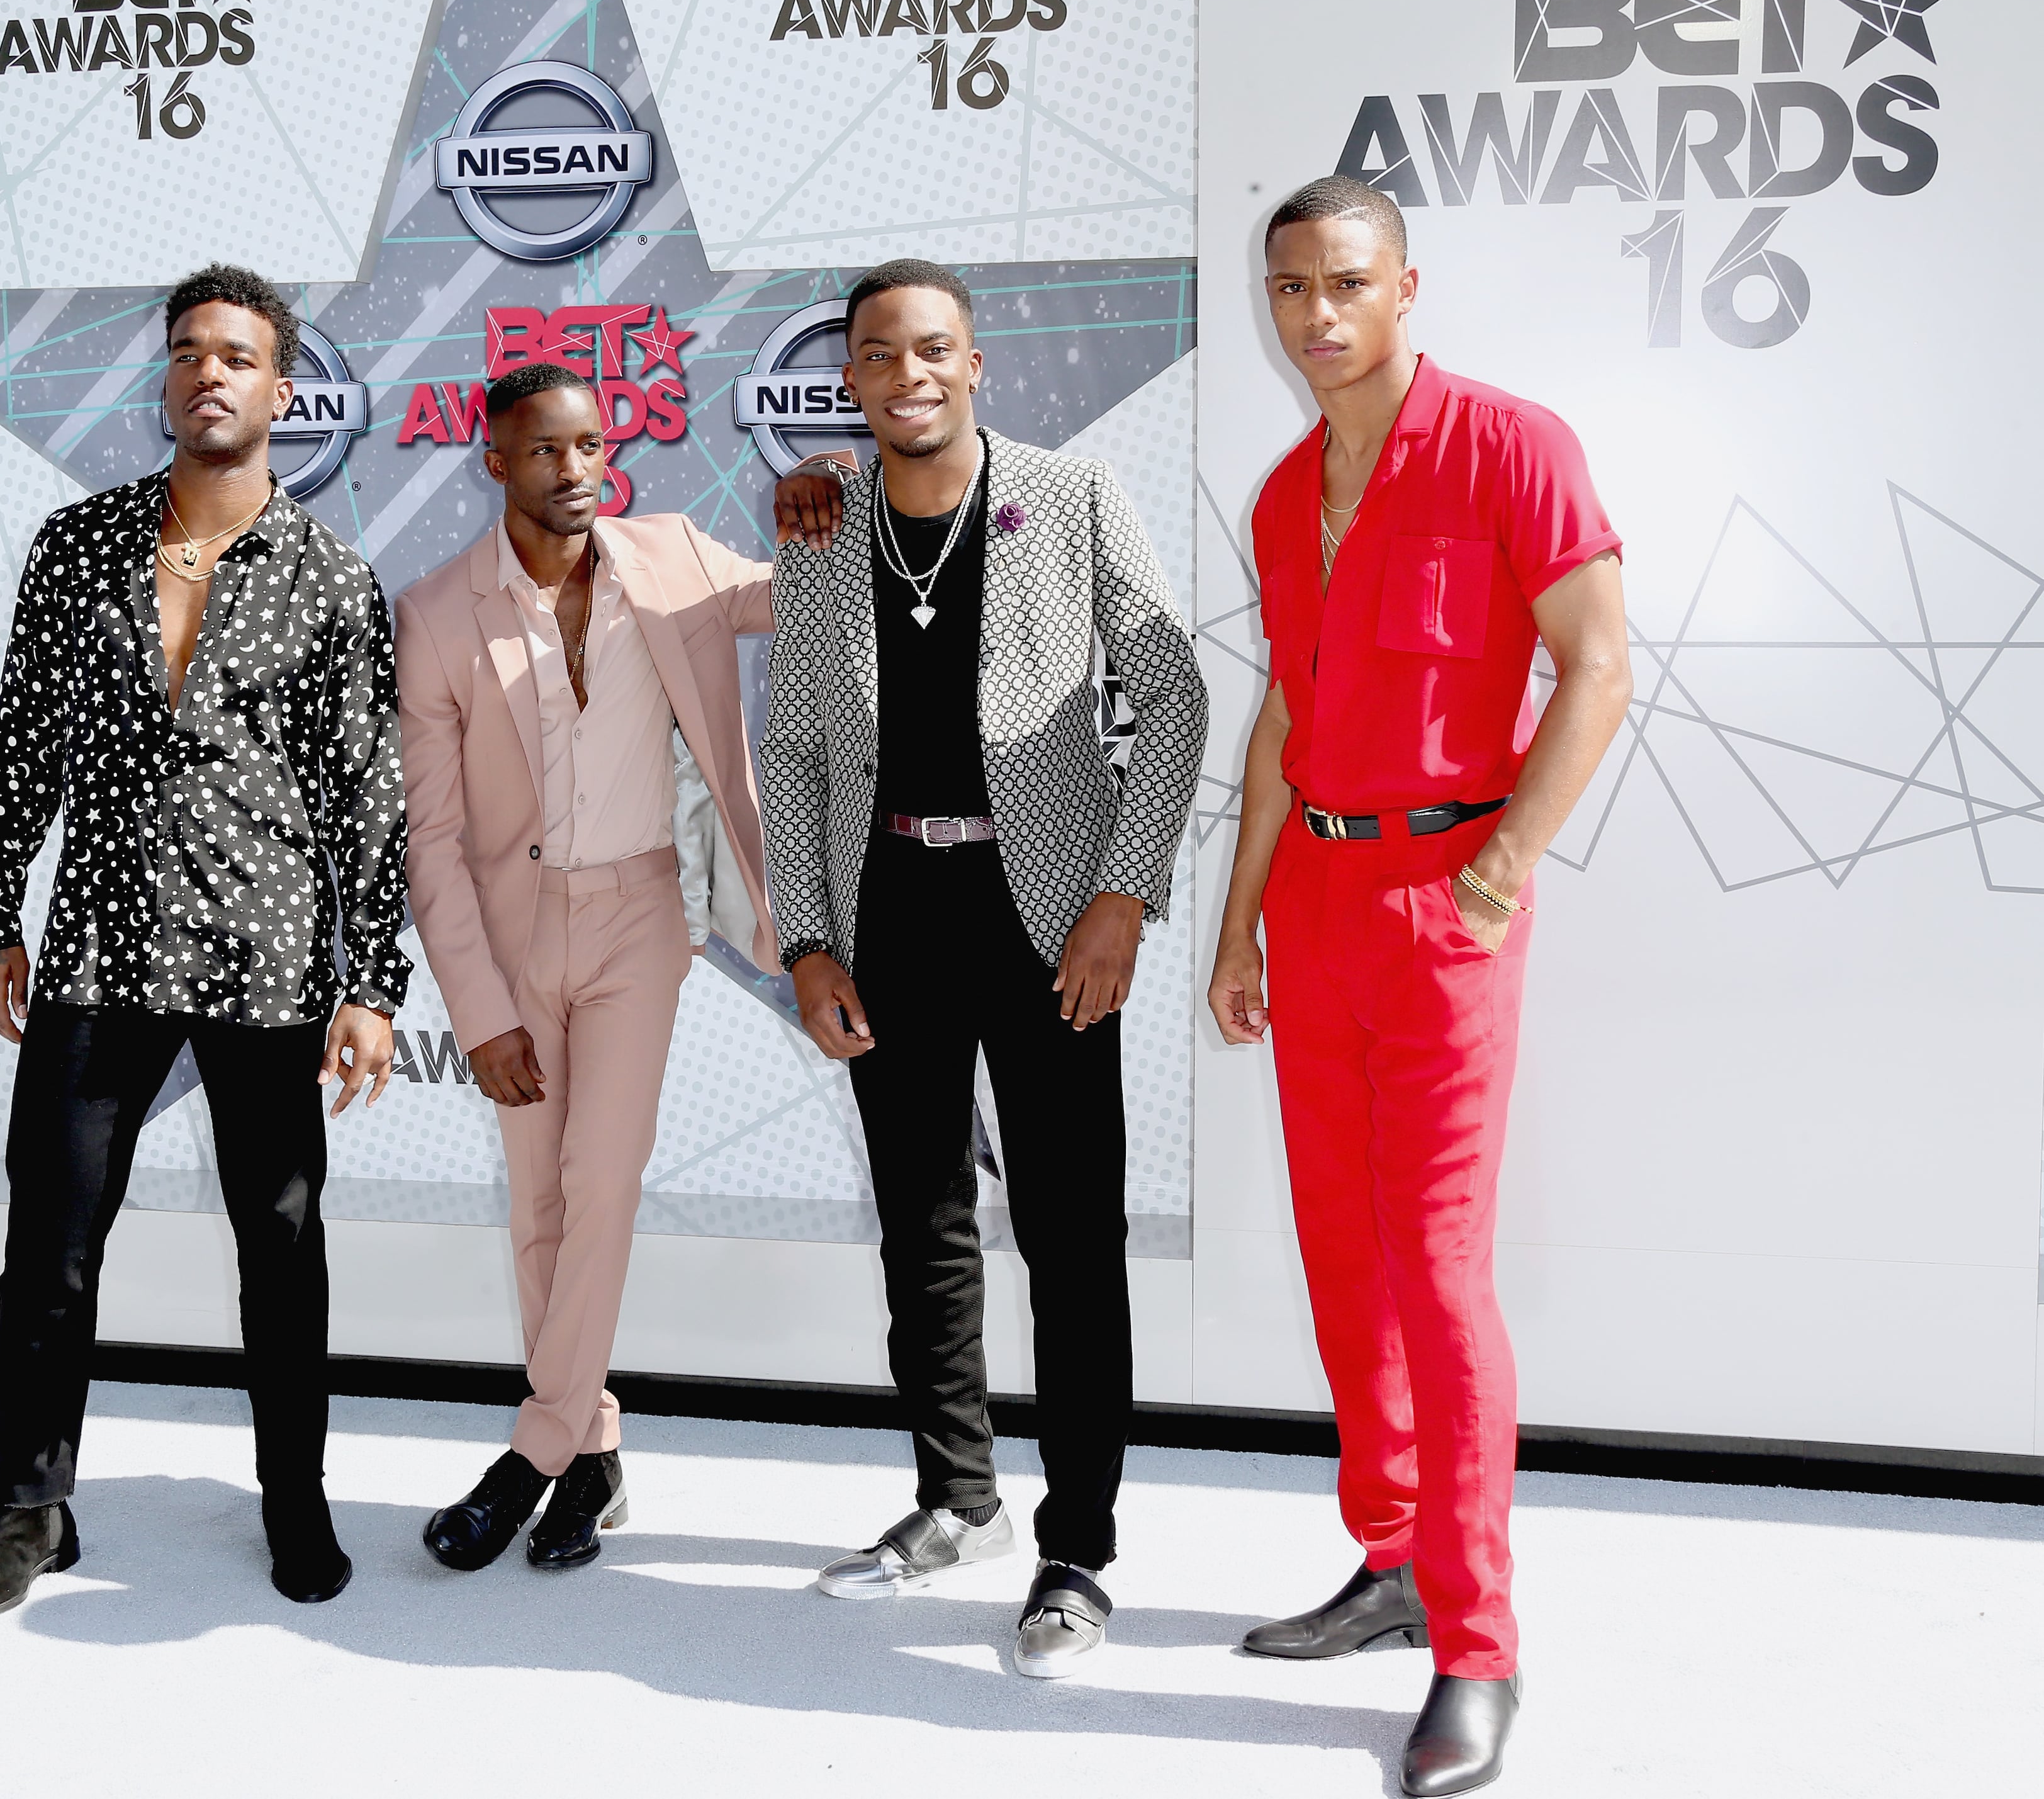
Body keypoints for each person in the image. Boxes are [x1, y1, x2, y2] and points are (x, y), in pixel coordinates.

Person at [1206, 177, 1633, 1795]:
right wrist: (1241, 921)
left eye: (1345, 282)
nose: (1315, 315)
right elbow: (1279, 725)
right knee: (1341, 1258)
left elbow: (1598, 663)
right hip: (1314, 898)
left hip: (1447, 900)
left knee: (1438, 1273)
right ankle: (1388, 1560)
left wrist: (1502, 870)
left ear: (1406, 286)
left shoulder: (1513, 447)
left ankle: (1478, 1641)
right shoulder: (1281, 491)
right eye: (1290, 287)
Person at [0, 264, 410, 1623]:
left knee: (283, 1238)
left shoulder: (330, 579)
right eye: (189, 351)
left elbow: (366, 795)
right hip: (94, 940)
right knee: (52, 1237)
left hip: (263, 953)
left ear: (281, 387)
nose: (211, 372)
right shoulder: (75, 546)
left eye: (238, 354)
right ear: (168, 377)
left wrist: (374, 979)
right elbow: (22, 740)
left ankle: (296, 1500)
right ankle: (31, 1506)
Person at [763, 259, 1206, 1678]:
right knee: (923, 1222)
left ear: (977, 363)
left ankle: (1079, 1544)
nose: (911, 374)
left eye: (935, 348)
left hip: (1052, 916)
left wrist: (1124, 894)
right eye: (881, 353)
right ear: (851, 378)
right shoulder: (822, 530)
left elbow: (1175, 691)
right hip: (891, 905)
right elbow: (795, 745)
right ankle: (957, 1496)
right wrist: (808, 934)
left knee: (1073, 1236)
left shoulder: (1072, 502)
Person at [393, 363, 780, 1571]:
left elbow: (812, 596)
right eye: (545, 451)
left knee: (601, 1181)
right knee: (540, 1204)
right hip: (512, 940)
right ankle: (594, 1452)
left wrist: (828, 491)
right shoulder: (440, 612)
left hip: (639, 920)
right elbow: (432, 839)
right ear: (494, 461)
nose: (575, 470)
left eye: (591, 446)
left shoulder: (673, 560)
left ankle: (530, 1454)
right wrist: (479, 1009)